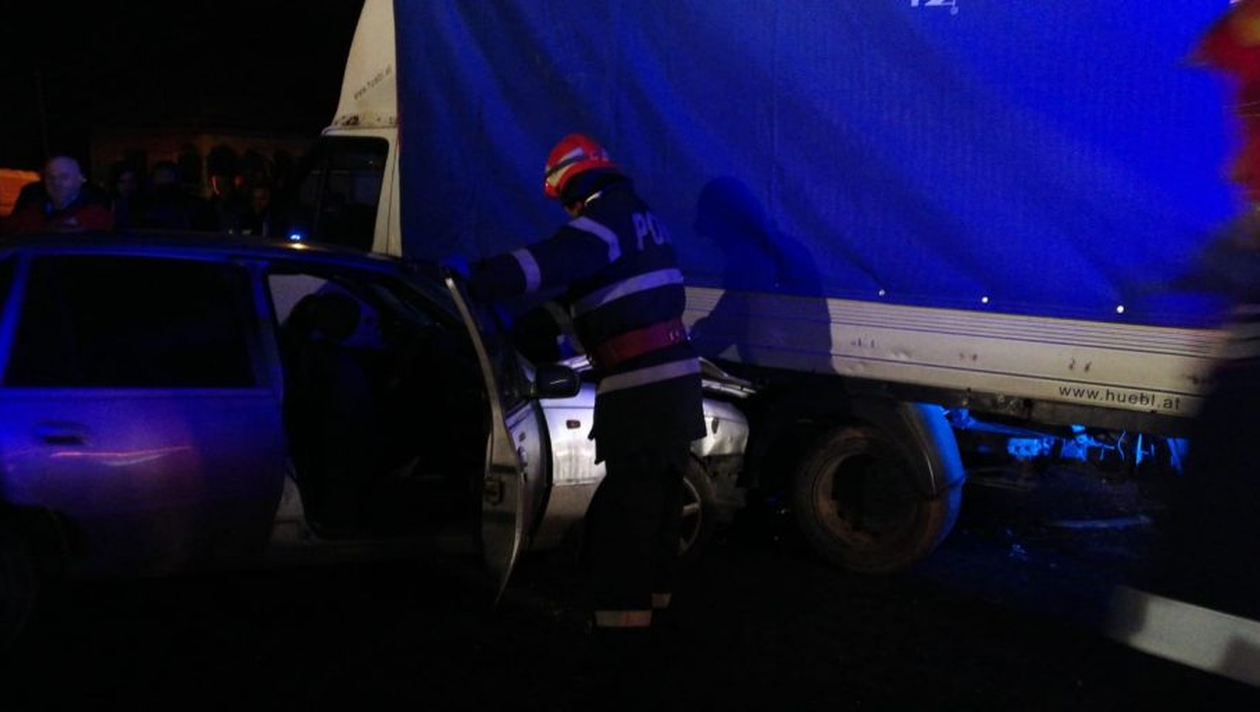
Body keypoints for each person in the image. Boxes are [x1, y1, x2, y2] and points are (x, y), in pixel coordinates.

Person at [456, 134, 706, 649]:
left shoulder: (605, 219)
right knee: (658, 509)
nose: (568, 212)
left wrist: (473, 276)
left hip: (640, 388)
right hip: (674, 384)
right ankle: (657, 618)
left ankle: (618, 635)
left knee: (626, 515)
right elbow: (590, 296)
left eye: (565, 201)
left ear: (573, 184)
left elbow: (546, 264)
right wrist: (533, 327)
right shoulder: (641, 219)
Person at [1, 155, 113, 236]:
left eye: (64, 177)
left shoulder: (97, 216)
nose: (56, 182)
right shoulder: (30, 213)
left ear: (79, 179)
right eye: (50, 177)